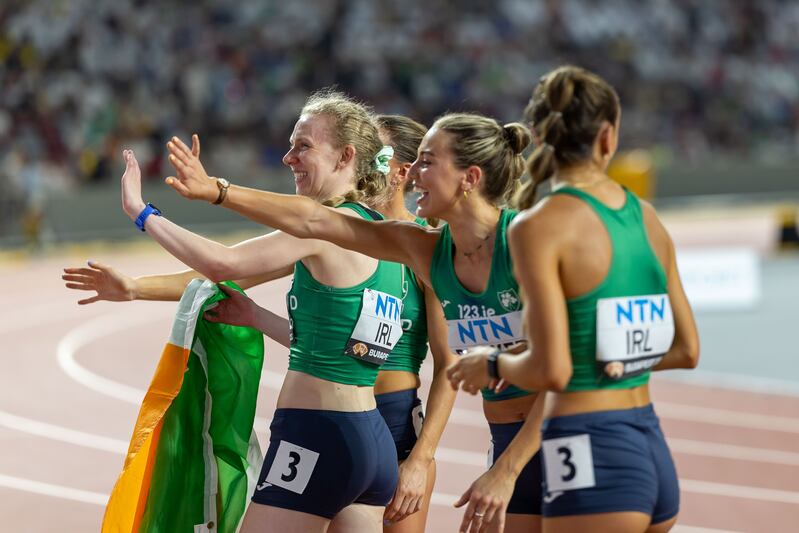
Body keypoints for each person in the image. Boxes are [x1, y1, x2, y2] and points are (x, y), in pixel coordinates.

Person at [64, 110, 456, 533]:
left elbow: (222, 262)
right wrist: (141, 288)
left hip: (332, 431)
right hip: (369, 436)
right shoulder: (392, 242)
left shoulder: (355, 234)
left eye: (303, 146)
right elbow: (344, 342)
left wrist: (144, 212)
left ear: (353, 158)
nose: (289, 158)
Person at [161, 111, 546, 533]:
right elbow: (313, 222)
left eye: (427, 161)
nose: (410, 172)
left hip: (576, 430)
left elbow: (568, 372)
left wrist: (489, 457)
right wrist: (217, 190)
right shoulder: (423, 248)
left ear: (470, 178)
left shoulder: (529, 245)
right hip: (500, 439)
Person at [446, 66, 700, 533]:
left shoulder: (538, 226)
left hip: (587, 449)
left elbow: (554, 370)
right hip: (649, 447)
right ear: (608, 138)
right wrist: (608, 361)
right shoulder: (645, 217)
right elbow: (687, 350)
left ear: (541, 137)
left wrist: (494, 365)